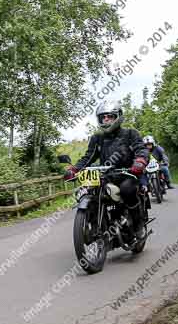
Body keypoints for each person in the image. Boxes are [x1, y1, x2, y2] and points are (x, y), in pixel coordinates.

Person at [64, 101, 149, 238]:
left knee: (127, 190)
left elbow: (141, 149)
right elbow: (88, 157)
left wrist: (139, 161)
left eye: (109, 116)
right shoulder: (97, 138)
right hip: (106, 176)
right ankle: (100, 223)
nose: (106, 119)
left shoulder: (130, 134)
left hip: (127, 174)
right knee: (92, 192)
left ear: (118, 117)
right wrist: (75, 169)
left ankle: (138, 226)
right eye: (103, 117)